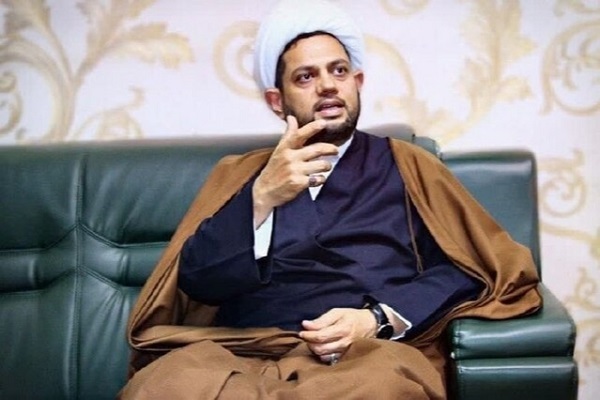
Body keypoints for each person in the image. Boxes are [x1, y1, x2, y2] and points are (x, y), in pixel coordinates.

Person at [119, 1, 541, 398]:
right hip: (244, 353)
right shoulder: (241, 175)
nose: (327, 86)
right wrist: (261, 198)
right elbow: (198, 282)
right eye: (305, 77)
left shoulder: (408, 165)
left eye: (338, 71)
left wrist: (376, 318)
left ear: (357, 83)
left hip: (361, 360)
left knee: (382, 387)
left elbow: (470, 267)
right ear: (277, 101)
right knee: (165, 386)